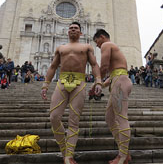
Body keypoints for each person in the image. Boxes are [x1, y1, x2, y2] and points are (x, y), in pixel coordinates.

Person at [41, 22, 102, 164]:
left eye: (76, 28)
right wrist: (45, 85)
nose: (73, 30)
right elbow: (52, 66)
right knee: (54, 117)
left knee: (74, 120)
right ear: (67, 32)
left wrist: (98, 80)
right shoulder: (60, 48)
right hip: (61, 82)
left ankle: (69, 155)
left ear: (81, 33)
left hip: (79, 83)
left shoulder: (87, 47)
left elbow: (94, 64)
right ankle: (63, 148)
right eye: (71, 28)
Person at [93, 29, 132, 164]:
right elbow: (114, 72)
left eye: (97, 42)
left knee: (121, 118)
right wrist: (99, 85)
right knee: (109, 118)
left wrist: (97, 81)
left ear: (102, 37)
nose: (97, 46)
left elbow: (103, 67)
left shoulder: (106, 45)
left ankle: (122, 157)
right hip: (117, 80)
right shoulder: (113, 48)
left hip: (120, 82)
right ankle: (124, 151)